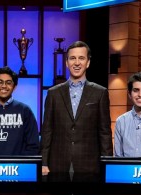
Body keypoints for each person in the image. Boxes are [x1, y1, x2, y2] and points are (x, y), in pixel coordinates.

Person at [40, 41, 113, 182]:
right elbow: (47, 130)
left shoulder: (100, 93)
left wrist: (107, 164)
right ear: (67, 63)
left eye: (81, 58)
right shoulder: (53, 93)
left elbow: (104, 133)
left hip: (89, 165)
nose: (77, 62)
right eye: (72, 58)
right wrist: (44, 162)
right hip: (58, 164)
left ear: (88, 62)